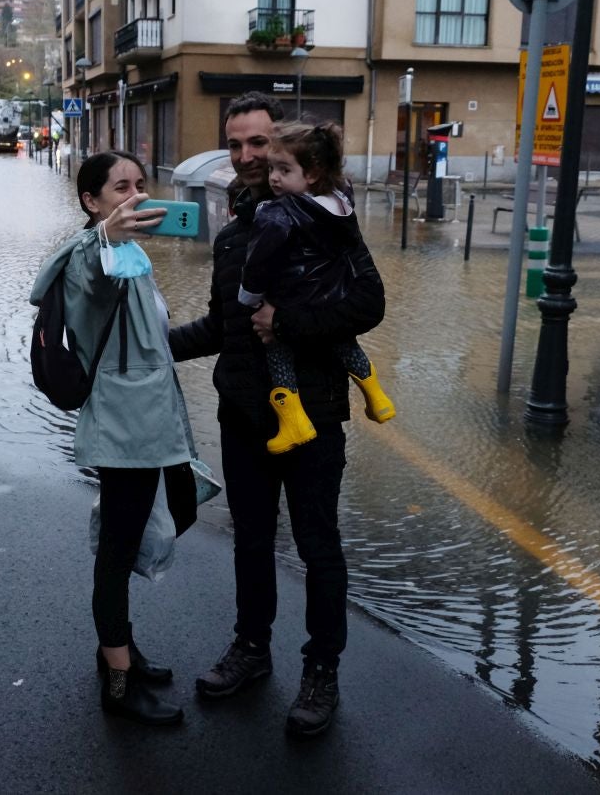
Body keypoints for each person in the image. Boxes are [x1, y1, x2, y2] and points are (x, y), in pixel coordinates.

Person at [169, 93, 385, 738]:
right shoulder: (236, 230)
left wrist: (287, 319)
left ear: (285, 146)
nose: (245, 157)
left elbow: (368, 305)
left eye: (257, 144)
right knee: (253, 541)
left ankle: (322, 669)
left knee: (320, 547)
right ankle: (251, 649)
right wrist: (149, 347)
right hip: (243, 411)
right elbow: (226, 323)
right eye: (234, 145)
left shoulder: (327, 221)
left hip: (314, 413)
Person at [29, 150, 190, 727]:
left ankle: (120, 652)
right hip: (124, 428)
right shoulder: (91, 258)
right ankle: (117, 681)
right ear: (90, 201)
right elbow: (94, 287)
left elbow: (151, 338)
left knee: (124, 544)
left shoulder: (131, 254)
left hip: (144, 422)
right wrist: (104, 235)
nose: (136, 196)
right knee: (116, 553)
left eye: (142, 185)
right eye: (120, 187)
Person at [239, 121, 395, 455]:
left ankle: (293, 420)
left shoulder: (275, 214)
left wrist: (256, 304)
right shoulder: (341, 205)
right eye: (272, 169)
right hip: (330, 297)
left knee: (278, 351)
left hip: (289, 304)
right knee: (343, 341)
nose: (274, 177)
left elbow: (257, 267)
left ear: (312, 173)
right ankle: (377, 395)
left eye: (283, 169)